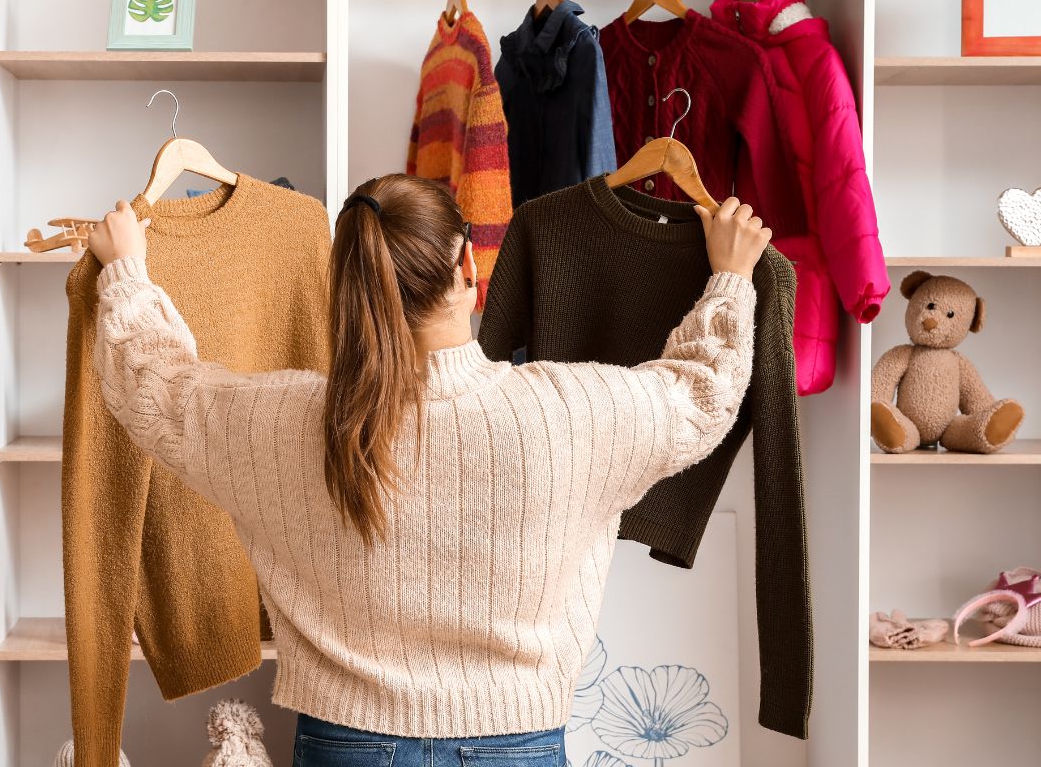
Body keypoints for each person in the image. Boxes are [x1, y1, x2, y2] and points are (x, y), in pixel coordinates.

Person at [88, 174, 770, 767]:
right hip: (519, 742)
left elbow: (155, 388)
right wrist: (731, 279)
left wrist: (125, 271)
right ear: (468, 268)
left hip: (344, 745)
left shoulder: (282, 422)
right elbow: (703, 391)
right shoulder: (573, 413)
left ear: (348, 290)